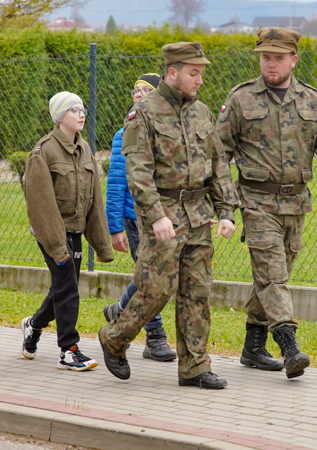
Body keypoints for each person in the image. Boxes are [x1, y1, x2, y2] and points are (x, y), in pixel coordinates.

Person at [98, 42, 239, 389]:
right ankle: (115, 337)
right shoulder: (144, 113)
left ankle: (194, 366)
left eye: (202, 72)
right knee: (157, 288)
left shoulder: (202, 112)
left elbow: (218, 165)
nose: (201, 79)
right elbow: (138, 171)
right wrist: (156, 215)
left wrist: (226, 211)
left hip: (198, 214)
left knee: (198, 290)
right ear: (172, 72)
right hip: (163, 215)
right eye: (195, 73)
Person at [216, 28, 317, 379]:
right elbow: (217, 156)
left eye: (278, 57)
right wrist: (225, 207)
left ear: (293, 60)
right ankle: (289, 347)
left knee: (274, 275)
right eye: (265, 57)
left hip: (296, 203)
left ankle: (252, 348)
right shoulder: (241, 99)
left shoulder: (312, 100)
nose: (270, 64)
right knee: (273, 275)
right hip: (256, 201)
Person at [20, 92, 113, 370]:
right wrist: (57, 245)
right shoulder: (44, 151)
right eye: (74, 110)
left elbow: (95, 199)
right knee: (68, 288)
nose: (81, 113)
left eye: (82, 108)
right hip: (52, 233)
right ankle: (69, 350)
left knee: (64, 287)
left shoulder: (85, 149)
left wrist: (102, 243)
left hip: (75, 231)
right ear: (60, 116)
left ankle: (34, 326)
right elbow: (40, 205)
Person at [102, 73, 176, 362]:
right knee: (149, 278)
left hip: (165, 218)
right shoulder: (124, 135)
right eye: (136, 90)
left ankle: (119, 309)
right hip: (136, 219)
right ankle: (155, 339)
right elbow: (117, 183)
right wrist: (114, 226)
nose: (139, 94)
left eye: (146, 90)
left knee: (158, 275)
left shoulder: (168, 130)